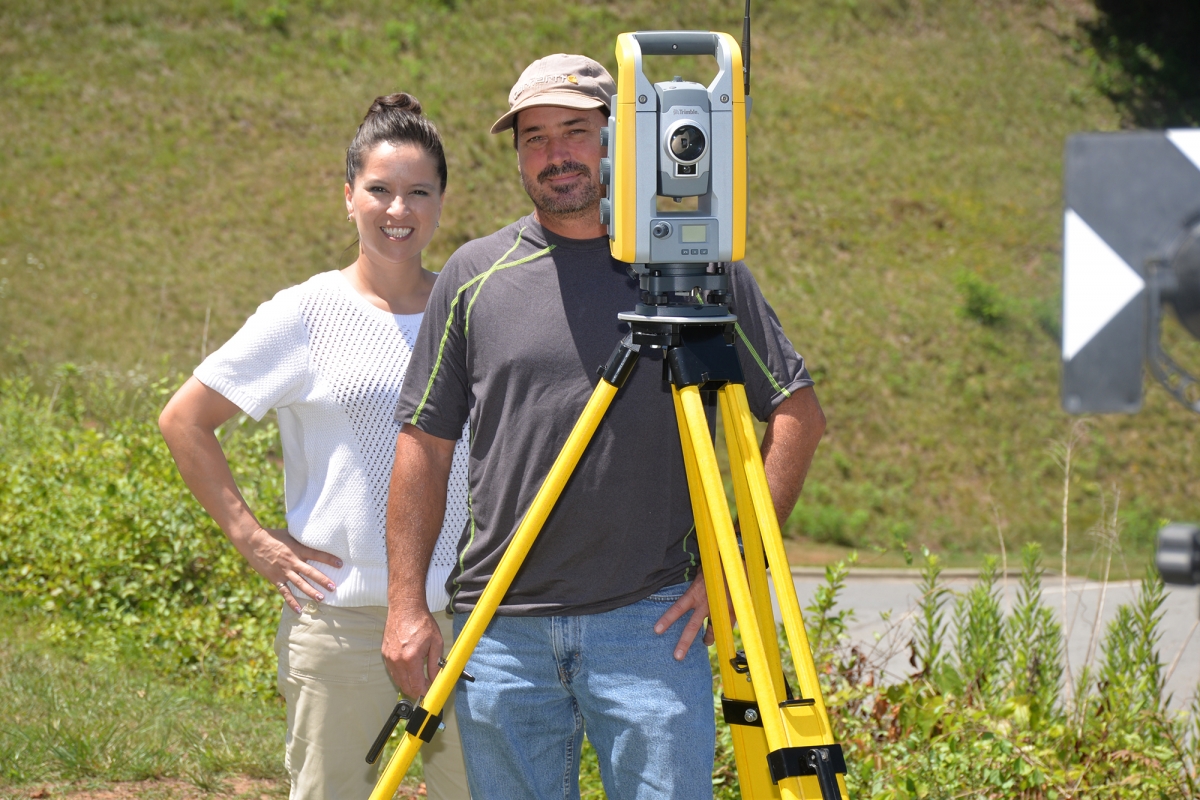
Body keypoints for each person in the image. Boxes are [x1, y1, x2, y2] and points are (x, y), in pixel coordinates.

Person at [385, 54, 826, 800]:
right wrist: (404, 606)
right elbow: (422, 444)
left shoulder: (697, 267)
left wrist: (733, 573)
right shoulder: (474, 275)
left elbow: (796, 414)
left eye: (575, 131)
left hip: (650, 628)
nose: (555, 153)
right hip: (500, 632)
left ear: (623, 136)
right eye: (533, 138)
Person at [158, 93, 471, 800]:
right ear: (348, 197)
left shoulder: (469, 307)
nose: (399, 211)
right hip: (340, 625)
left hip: (466, 620)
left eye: (419, 192)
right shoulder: (305, 312)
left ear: (442, 201)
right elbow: (184, 419)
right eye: (379, 191)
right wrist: (256, 541)